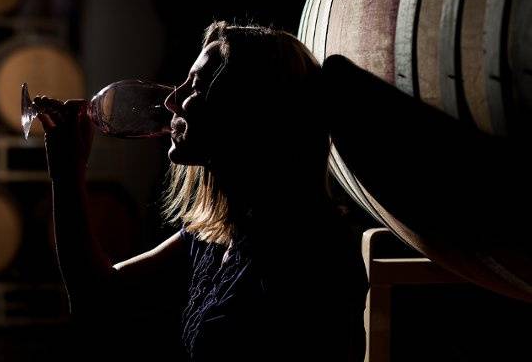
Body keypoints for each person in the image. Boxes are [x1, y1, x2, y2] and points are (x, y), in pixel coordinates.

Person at [35, 21, 367, 361]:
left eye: (196, 86)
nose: (171, 100)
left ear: (248, 109)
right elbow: (95, 297)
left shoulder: (305, 253)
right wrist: (66, 172)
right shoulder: (216, 234)